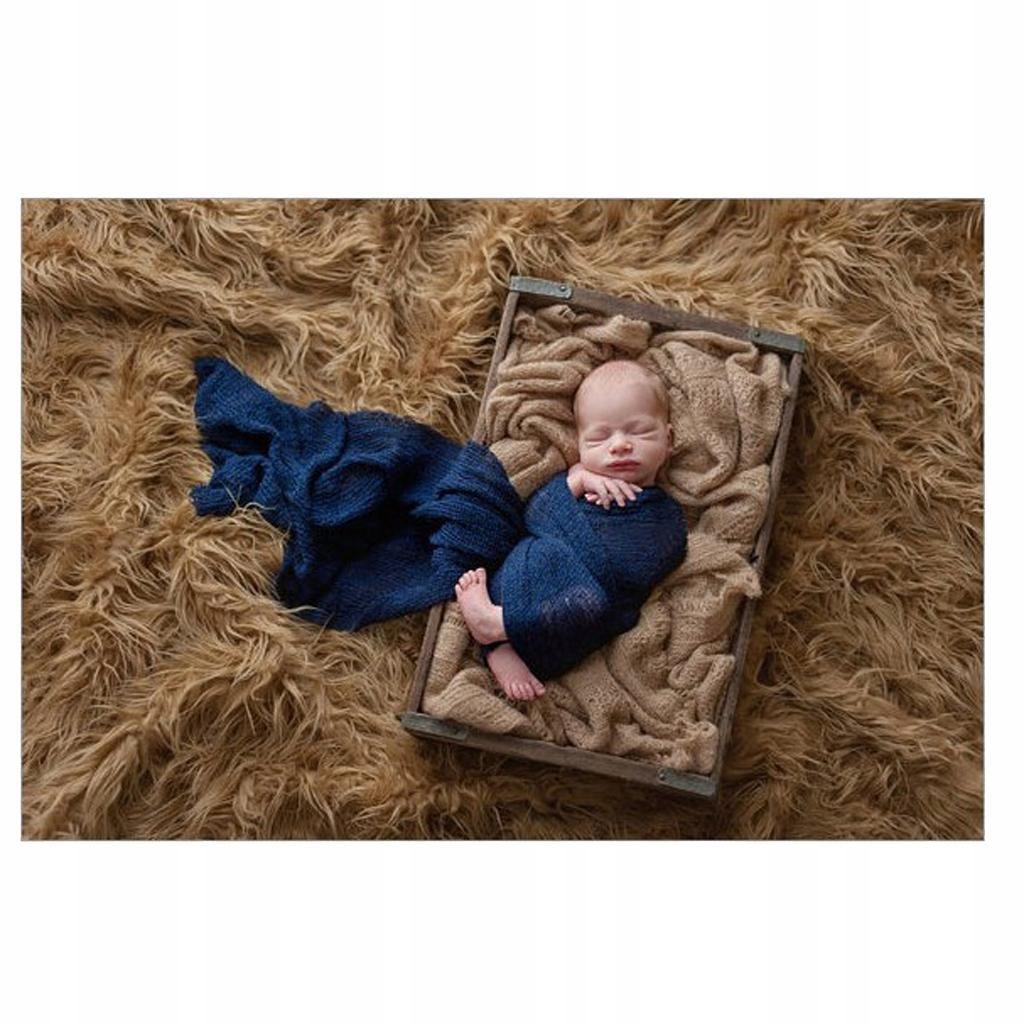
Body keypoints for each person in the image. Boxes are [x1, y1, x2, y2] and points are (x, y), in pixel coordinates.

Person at [454, 359, 680, 702]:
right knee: (538, 554)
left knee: (592, 605)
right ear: (580, 446)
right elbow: (533, 518)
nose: (619, 445)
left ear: (669, 439)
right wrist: (577, 482)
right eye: (599, 437)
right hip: (524, 576)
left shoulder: (663, 513)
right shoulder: (575, 482)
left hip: (577, 615)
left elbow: (647, 566)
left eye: (639, 432)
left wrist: (583, 557)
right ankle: (498, 643)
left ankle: (497, 630)